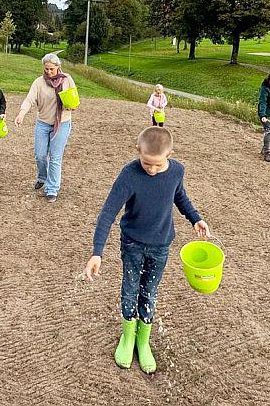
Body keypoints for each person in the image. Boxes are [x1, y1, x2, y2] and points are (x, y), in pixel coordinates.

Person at [83, 127, 210, 374]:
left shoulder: (176, 171)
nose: (151, 170)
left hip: (161, 245)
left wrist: (195, 218)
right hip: (132, 244)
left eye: (157, 164)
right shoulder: (129, 175)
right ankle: (128, 337)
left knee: (149, 291)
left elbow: (180, 197)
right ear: (137, 151)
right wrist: (97, 252)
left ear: (170, 154)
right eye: (146, 163)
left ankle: (143, 340)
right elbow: (108, 212)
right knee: (130, 288)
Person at [15, 53, 77, 203]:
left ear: (58, 67)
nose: (48, 72)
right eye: (46, 69)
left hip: (62, 122)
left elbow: (74, 99)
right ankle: (42, 177)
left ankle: (52, 189)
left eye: (51, 69)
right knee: (40, 155)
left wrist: (72, 105)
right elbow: (29, 99)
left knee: (55, 157)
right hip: (43, 122)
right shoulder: (38, 82)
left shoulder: (67, 80)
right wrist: (21, 114)